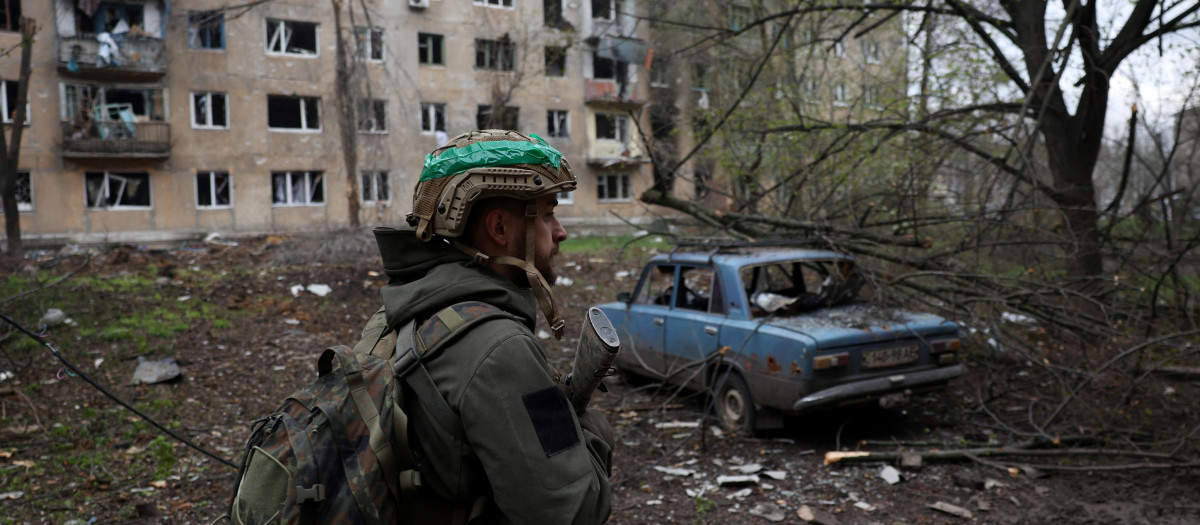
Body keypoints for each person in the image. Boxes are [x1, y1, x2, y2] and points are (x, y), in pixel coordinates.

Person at [355, 130, 613, 524]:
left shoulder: (400, 316)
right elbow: (572, 510)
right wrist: (586, 424)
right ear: (499, 229)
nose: (560, 232)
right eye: (547, 213)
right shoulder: (500, 350)